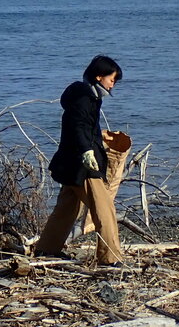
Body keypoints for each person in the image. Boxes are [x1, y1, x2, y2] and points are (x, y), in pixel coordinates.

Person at [35, 55, 124, 266]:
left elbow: (82, 126)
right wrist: (87, 151)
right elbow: (77, 126)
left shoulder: (88, 96)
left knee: (67, 208)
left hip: (71, 163)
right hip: (82, 166)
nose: (113, 84)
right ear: (99, 76)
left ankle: (46, 250)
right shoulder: (85, 97)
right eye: (112, 79)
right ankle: (110, 259)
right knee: (104, 210)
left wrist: (99, 137)